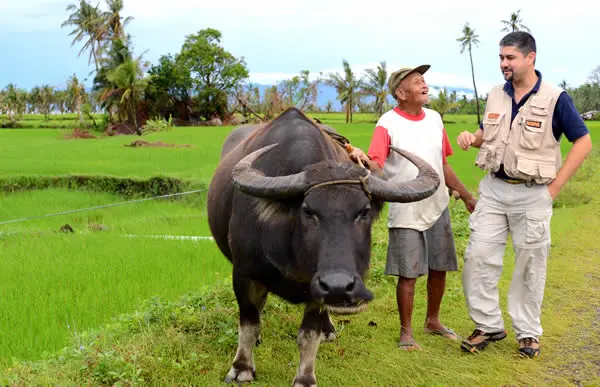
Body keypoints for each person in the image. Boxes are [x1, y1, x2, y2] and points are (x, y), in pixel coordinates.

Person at [457, 31, 592, 358]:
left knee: (530, 265)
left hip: (533, 193)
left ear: (530, 57)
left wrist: (554, 189)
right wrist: (471, 138)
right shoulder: (494, 94)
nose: (503, 63)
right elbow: (488, 134)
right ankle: (488, 324)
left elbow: (583, 142)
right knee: (478, 258)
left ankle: (528, 333)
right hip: (493, 189)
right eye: (501, 57)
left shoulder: (555, 98)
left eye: (510, 58)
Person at [351, 65, 477, 351]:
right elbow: (377, 166)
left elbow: (442, 164)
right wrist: (362, 159)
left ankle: (433, 320)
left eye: (424, 80)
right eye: (417, 81)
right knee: (408, 273)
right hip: (406, 207)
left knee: (439, 267)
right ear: (400, 92)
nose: (424, 84)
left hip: (438, 203)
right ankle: (406, 332)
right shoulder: (387, 123)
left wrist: (466, 195)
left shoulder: (434, 119)